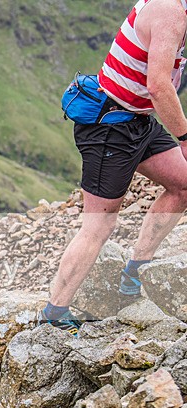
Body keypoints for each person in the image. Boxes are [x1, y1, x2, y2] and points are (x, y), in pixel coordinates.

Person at [41, 0, 187, 335]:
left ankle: (135, 274)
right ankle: (54, 313)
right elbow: (158, 84)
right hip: (110, 125)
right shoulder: (170, 12)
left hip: (138, 119)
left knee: (183, 184)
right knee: (99, 224)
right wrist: (184, 136)